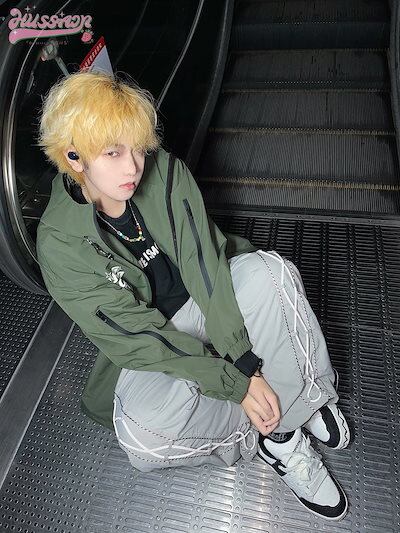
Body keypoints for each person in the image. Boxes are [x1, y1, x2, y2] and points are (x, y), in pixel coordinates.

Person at [35, 70, 351, 522]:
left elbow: (205, 267)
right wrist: (237, 386)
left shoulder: (163, 172)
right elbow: (137, 338)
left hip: (208, 298)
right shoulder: (60, 244)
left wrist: (243, 363)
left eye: (137, 148)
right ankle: (266, 432)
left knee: (271, 273)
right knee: (140, 435)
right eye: (113, 152)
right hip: (157, 335)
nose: (133, 167)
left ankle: (294, 415)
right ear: (73, 156)